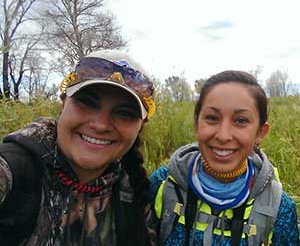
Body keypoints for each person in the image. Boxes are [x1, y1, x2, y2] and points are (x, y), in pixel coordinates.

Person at [0, 50, 157, 245]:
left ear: (140, 126)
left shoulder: (134, 193)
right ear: (64, 102)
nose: (101, 125)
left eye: (124, 113)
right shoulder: (13, 168)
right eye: (87, 102)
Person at [151, 70, 299, 245]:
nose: (223, 135)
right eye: (212, 118)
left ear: (260, 133)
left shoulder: (279, 208)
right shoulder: (162, 184)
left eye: (241, 120)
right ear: (197, 124)